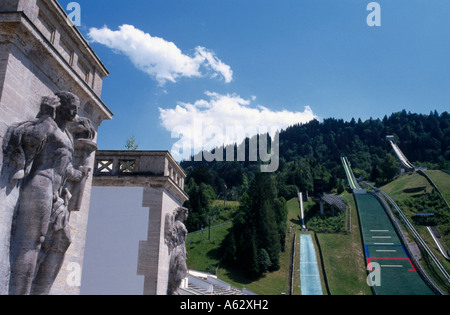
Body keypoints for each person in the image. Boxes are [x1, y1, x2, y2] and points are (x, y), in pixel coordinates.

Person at [6, 92, 88, 295]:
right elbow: (31, 141)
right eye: (72, 107)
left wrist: (81, 173)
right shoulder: (48, 125)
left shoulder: (66, 136)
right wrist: (45, 117)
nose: (75, 112)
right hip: (40, 186)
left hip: (57, 193)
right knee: (32, 242)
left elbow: (65, 168)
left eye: (77, 108)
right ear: (60, 106)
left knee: (62, 239)